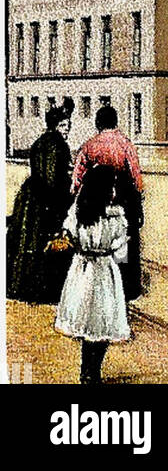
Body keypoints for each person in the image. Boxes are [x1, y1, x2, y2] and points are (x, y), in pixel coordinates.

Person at [55, 164, 130, 385]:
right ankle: (92, 370)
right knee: (101, 322)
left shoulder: (80, 210)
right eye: (112, 185)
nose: (114, 189)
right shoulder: (115, 216)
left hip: (84, 268)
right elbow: (121, 251)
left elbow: (69, 233)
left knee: (91, 321)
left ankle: (87, 370)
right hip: (103, 271)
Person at [72, 105, 144, 301]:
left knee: (101, 237)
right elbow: (135, 175)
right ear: (115, 122)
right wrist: (137, 197)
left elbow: (78, 176)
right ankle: (126, 285)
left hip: (96, 197)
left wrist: (78, 194)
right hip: (123, 195)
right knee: (123, 238)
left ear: (98, 123)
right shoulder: (125, 144)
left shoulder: (89, 145)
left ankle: (102, 285)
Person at [7, 102, 75, 302]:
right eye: (64, 126)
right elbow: (52, 177)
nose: (67, 131)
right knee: (47, 241)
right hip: (48, 198)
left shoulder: (39, 142)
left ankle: (24, 286)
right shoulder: (58, 144)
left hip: (31, 196)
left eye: (68, 127)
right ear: (55, 126)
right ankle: (45, 290)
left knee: (27, 242)